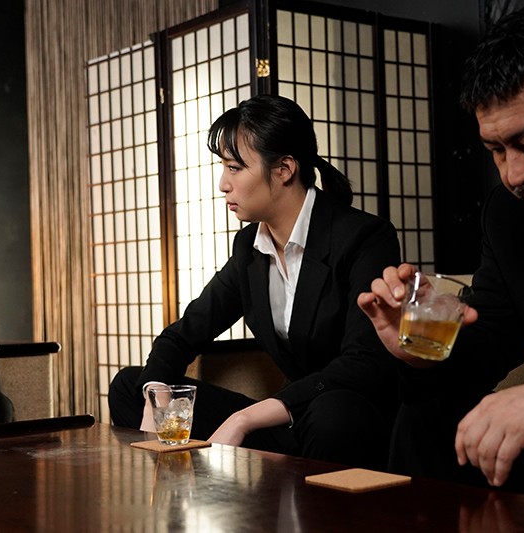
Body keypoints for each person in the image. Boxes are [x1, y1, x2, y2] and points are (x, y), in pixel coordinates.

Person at [109, 94, 401, 469]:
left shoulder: (363, 237)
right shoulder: (250, 247)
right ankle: (192, 498)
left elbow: (364, 363)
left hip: (348, 418)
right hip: (290, 427)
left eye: (234, 168)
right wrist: (157, 398)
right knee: (129, 385)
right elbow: (183, 335)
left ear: (284, 169)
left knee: (333, 413)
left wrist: (245, 418)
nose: (222, 184)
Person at [357, 4, 524, 500]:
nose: (514, 175)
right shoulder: (509, 214)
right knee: (427, 416)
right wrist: (423, 347)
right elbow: (490, 340)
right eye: (497, 150)